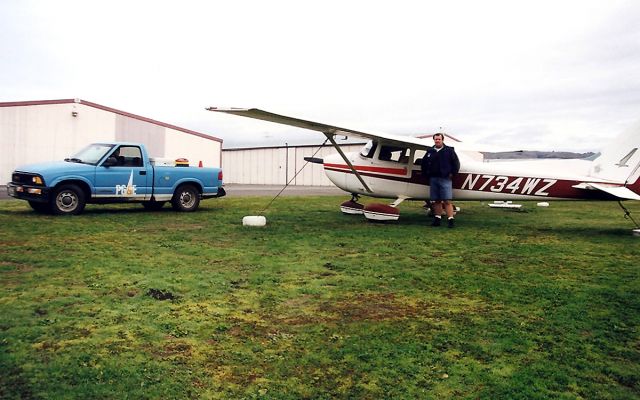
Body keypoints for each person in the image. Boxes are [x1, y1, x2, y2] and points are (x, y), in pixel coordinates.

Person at [421, 133, 460, 228]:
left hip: (445, 178)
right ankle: (437, 219)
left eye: (439, 139)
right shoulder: (430, 151)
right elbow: (424, 163)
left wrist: (452, 174)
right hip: (434, 178)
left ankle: (451, 220)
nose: (437, 141)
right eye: (436, 139)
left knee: (447, 201)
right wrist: (427, 174)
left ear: (442, 140)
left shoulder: (449, 150)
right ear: (434, 140)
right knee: (436, 201)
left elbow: (456, 163)